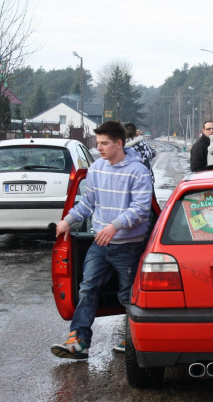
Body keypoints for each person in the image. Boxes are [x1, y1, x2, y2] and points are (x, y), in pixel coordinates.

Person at [50, 121, 154, 359]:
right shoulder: (96, 168)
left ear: (119, 143)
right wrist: (67, 221)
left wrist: (114, 226)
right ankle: (78, 341)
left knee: (128, 296)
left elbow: (141, 210)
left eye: (104, 143)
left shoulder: (138, 172)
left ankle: (135, 339)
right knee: (87, 288)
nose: (99, 148)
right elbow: (88, 204)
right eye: (98, 144)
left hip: (128, 246)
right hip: (100, 243)